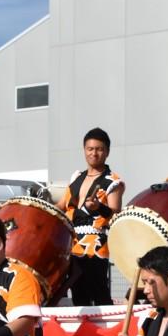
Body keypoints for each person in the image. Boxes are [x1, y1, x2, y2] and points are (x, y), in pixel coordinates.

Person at [60, 127, 124, 306]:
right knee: (79, 295)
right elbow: (62, 205)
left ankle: (108, 332)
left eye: (99, 149)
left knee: (99, 292)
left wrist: (98, 207)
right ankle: (85, 333)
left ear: (107, 152)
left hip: (95, 244)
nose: (94, 153)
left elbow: (116, 213)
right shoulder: (76, 177)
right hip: (72, 244)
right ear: (84, 150)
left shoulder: (113, 181)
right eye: (90, 149)